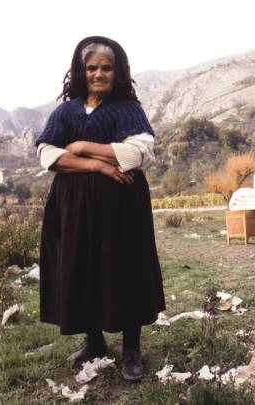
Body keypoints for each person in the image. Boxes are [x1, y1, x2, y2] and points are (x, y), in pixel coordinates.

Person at [34, 36, 165, 382]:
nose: (99, 74)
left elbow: (138, 154)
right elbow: (48, 155)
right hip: (71, 207)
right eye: (92, 67)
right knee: (80, 268)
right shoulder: (66, 111)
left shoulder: (128, 109)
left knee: (125, 270)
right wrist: (100, 165)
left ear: (118, 72)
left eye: (107, 68)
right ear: (81, 71)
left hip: (122, 209)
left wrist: (80, 146)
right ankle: (94, 342)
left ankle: (132, 349)